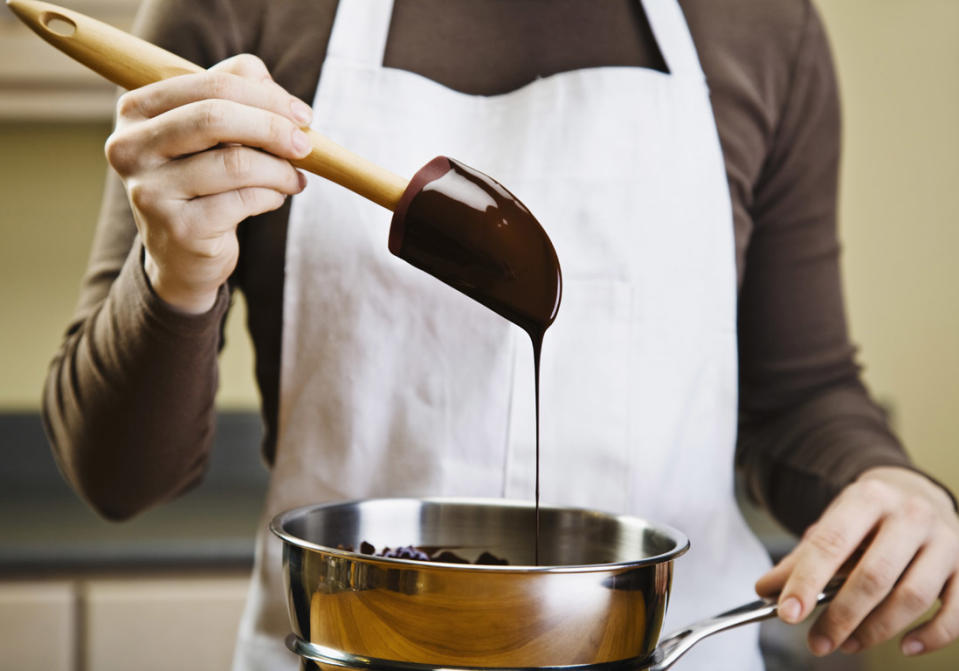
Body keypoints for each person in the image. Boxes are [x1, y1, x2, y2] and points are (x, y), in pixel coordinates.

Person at [42, 0, 959, 669]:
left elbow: (799, 397)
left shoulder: (759, 26)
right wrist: (177, 272)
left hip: (675, 651)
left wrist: (891, 486)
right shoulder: (236, 12)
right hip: (346, 654)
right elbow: (118, 479)